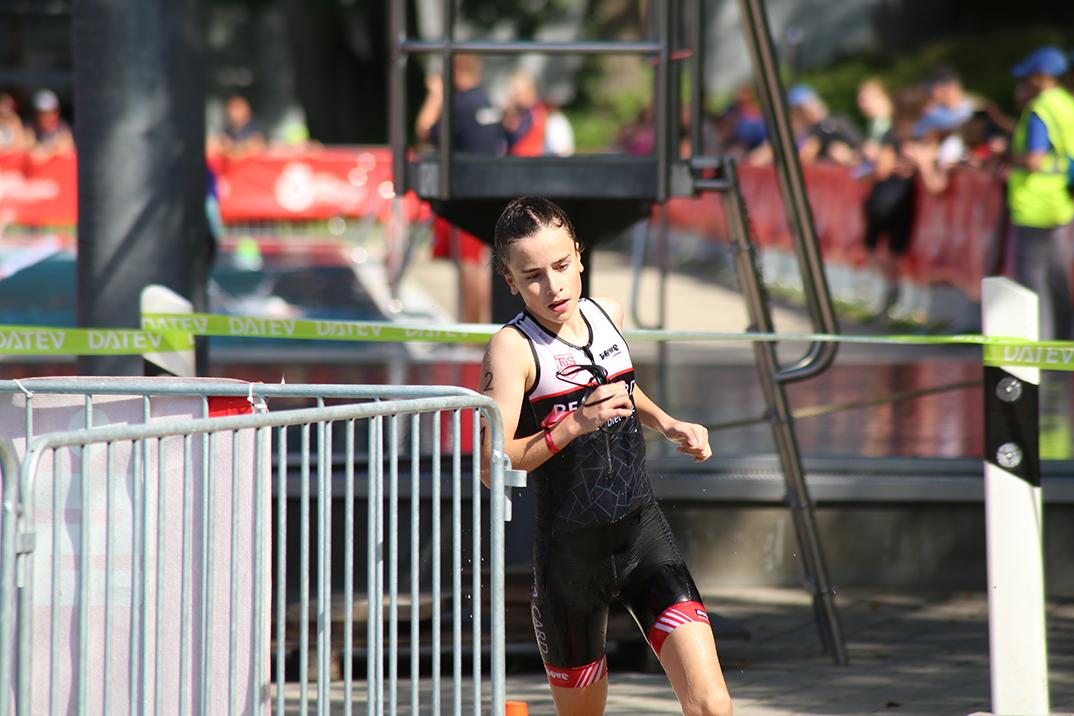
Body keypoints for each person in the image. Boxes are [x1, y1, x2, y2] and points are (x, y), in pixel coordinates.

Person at [479, 197, 733, 716]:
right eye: (532, 277)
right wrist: (572, 424)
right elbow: (491, 464)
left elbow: (622, 389)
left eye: (561, 266)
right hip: (570, 563)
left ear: (580, 255)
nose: (553, 288)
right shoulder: (513, 348)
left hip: (644, 538)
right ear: (510, 282)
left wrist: (667, 421)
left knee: (712, 706)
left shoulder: (606, 314)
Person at [414, 53, 503, 324]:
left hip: (467, 194)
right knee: (483, 263)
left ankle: (470, 330)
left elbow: (424, 129)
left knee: (469, 264)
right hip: (490, 190)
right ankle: (482, 325)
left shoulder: (459, 104)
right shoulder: (486, 100)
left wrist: (435, 96)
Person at [1005, 46, 1074, 340]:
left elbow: (1034, 158)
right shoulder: (1066, 103)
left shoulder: (1040, 108)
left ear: (1042, 77)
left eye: (1031, 76)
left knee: (1032, 279)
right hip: (1059, 199)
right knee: (1057, 277)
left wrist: (1007, 156)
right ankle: (1063, 341)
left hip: (1034, 202)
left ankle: (1039, 346)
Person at [503, 70, 548, 157]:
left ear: (528, 90)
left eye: (515, 89)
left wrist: (507, 118)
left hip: (524, 163)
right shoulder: (536, 109)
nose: (512, 93)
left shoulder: (531, 112)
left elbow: (514, 136)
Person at [28, 89, 73, 160]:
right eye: (41, 114)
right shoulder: (30, 129)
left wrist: (48, 153)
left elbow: (67, 148)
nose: (45, 117)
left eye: (49, 113)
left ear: (57, 112)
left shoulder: (63, 130)